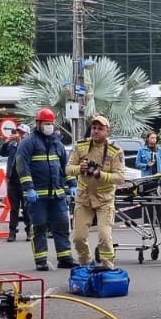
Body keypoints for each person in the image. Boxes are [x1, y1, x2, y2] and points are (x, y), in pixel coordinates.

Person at [18, 109, 74, 271]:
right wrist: (29, 188)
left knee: (62, 226)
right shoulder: (28, 143)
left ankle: (64, 257)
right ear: (38, 124)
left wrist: (72, 184)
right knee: (39, 228)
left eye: (51, 123)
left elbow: (65, 167)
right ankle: (41, 260)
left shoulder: (57, 143)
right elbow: (22, 166)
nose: (49, 126)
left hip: (57, 194)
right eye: (46, 123)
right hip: (37, 196)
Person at [67, 115, 125, 268]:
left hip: (104, 200)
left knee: (104, 237)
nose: (96, 131)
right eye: (94, 128)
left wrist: (100, 174)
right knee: (78, 238)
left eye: (100, 128)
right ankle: (86, 264)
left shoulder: (115, 151)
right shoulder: (80, 146)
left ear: (107, 131)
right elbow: (67, 169)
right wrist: (80, 168)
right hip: (83, 198)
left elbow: (120, 178)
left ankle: (108, 267)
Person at [1, 124, 27, 242]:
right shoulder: (12, 145)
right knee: (14, 208)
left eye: (21, 133)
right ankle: (12, 232)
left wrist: (20, 142)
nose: (18, 135)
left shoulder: (28, 145)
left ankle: (29, 231)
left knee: (27, 207)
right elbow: (2, 153)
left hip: (25, 180)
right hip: (13, 180)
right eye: (17, 132)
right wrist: (7, 141)